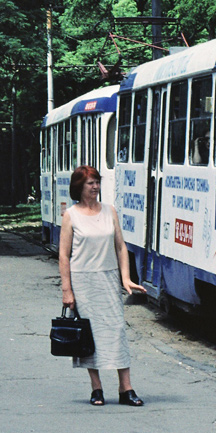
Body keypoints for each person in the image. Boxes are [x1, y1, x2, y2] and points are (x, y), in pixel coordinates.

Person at [58, 165, 145, 407]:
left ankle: (125, 388)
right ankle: (96, 388)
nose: (95, 187)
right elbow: (64, 255)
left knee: (117, 331)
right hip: (83, 281)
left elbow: (121, 247)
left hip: (108, 278)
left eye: (97, 182)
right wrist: (67, 290)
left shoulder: (110, 211)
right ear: (79, 187)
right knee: (89, 336)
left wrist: (125, 278)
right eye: (90, 183)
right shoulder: (71, 215)